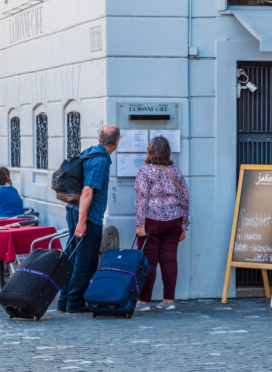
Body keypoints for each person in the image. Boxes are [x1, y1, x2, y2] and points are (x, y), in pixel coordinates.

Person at [57, 126, 120, 313]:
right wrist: (82, 221)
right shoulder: (100, 160)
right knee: (86, 259)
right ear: (116, 142)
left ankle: (64, 300)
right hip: (87, 215)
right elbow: (87, 191)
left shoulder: (89, 153)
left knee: (73, 256)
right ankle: (75, 302)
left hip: (73, 210)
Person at [134, 136, 190, 312]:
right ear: (167, 152)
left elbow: (141, 199)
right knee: (169, 261)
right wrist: (184, 225)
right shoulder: (176, 172)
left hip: (152, 221)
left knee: (148, 262)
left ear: (150, 152)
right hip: (174, 220)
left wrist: (139, 224)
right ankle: (169, 300)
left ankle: (143, 301)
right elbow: (185, 199)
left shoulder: (145, 171)